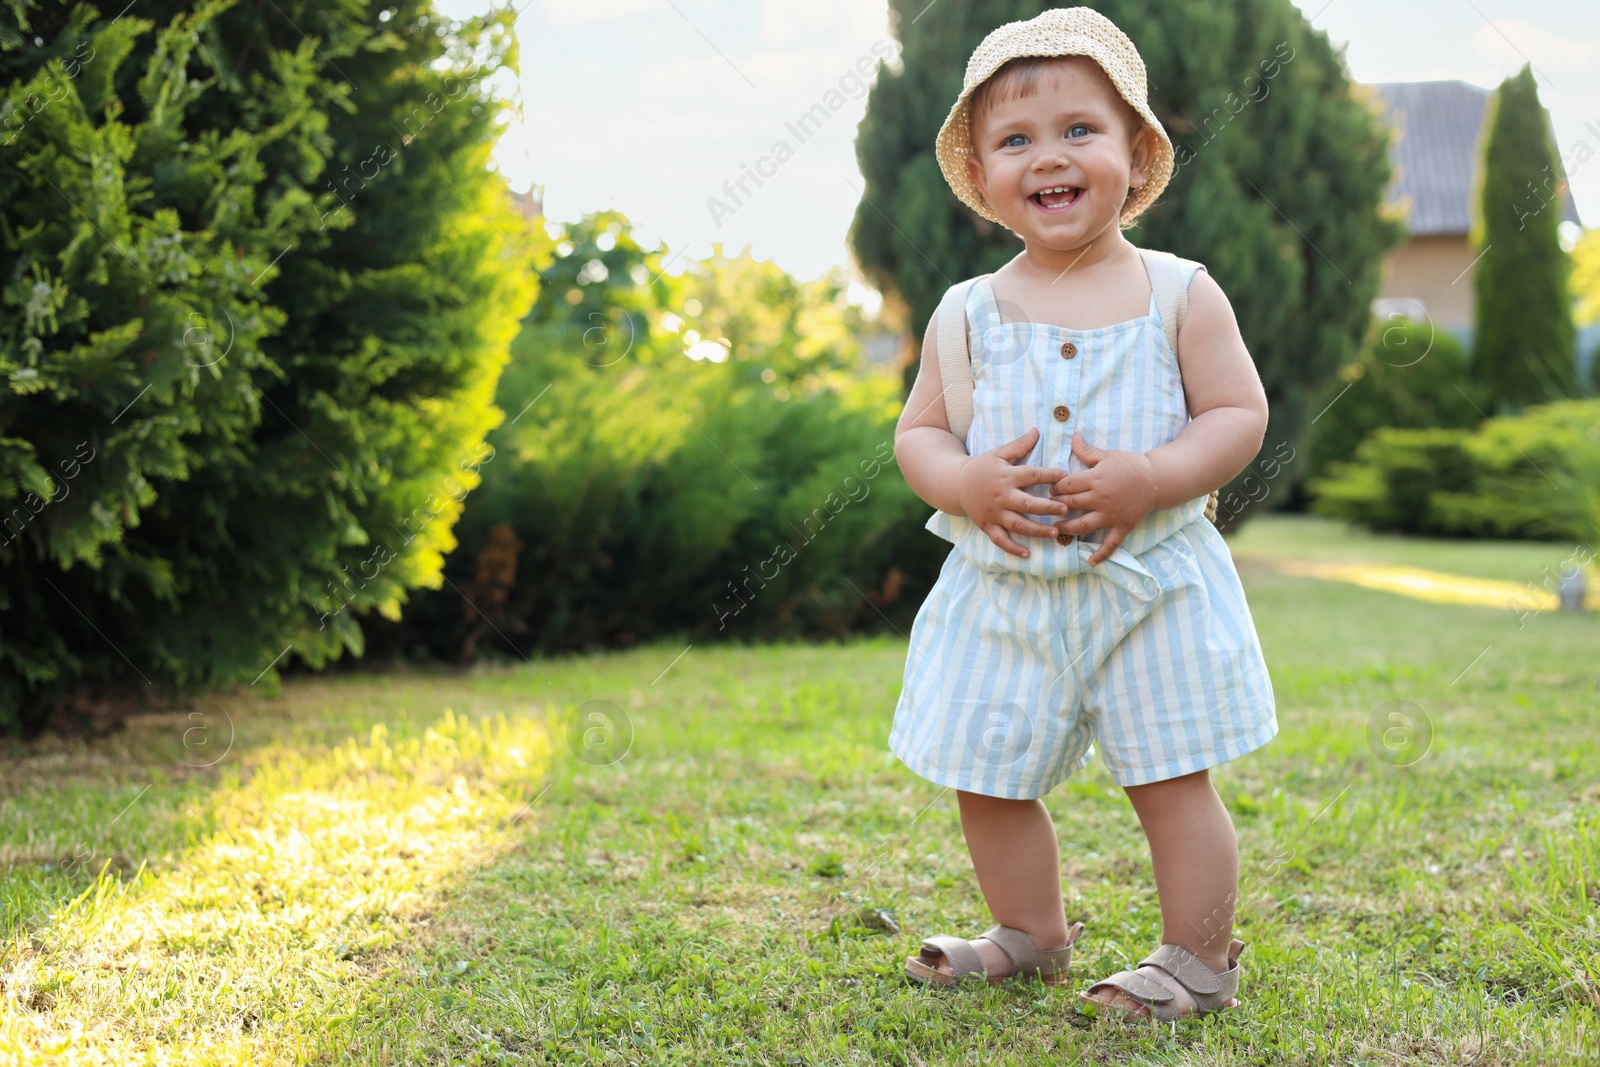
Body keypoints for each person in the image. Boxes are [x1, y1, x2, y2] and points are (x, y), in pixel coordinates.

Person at [888, 7, 1279, 1023]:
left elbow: (1238, 413)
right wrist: (963, 483)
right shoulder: (965, 310)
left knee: (1168, 775)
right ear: (979, 174)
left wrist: (1151, 473)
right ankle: (1030, 931)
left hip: (1145, 588)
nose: (1047, 156)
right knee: (987, 774)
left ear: (1135, 153)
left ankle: (1196, 957)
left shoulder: (1177, 294)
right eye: (1014, 140)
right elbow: (920, 435)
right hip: (1002, 592)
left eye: (1078, 130)